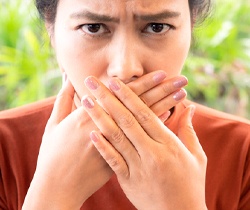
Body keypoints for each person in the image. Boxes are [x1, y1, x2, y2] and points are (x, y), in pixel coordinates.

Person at [0, 0, 249, 209]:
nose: (126, 68)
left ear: (190, 28)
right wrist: (50, 195)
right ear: (51, 31)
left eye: (156, 27)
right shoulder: (5, 148)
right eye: (94, 27)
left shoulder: (243, 153)